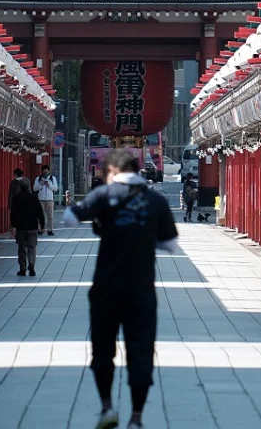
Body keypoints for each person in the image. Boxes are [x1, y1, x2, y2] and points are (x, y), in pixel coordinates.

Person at [63, 149, 178, 429]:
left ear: (112, 170)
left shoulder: (104, 195)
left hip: (106, 287)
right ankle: (136, 417)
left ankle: (107, 407)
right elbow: (171, 244)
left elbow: (69, 218)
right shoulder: (156, 200)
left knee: (103, 349)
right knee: (140, 349)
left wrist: (103, 222)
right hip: (141, 288)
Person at [11, 178, 45, 277]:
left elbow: (13, 214)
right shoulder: (34, 198)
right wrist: (42, 226)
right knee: (32, 247)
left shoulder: (16, 198)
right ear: (29, 186)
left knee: (22, 248)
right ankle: (31, 264)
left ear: (20, 187)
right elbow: (40, 213)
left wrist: (13, 226)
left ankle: (22, 269)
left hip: (21, 227)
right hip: (32, 227)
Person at [33, 165, 58, 235]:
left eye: (47, 172)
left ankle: (50, 230)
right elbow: (34, 189)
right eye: (44, 172)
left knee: (50, 216)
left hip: (50, 200)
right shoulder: (38, 179)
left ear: (49, 171)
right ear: (42, 172)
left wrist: (49, 185)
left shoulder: (52, 179)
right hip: (40, 200)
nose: (45, 173)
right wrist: (41, 184)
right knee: (39, 216)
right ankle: (39, 229)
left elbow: (55, 188)